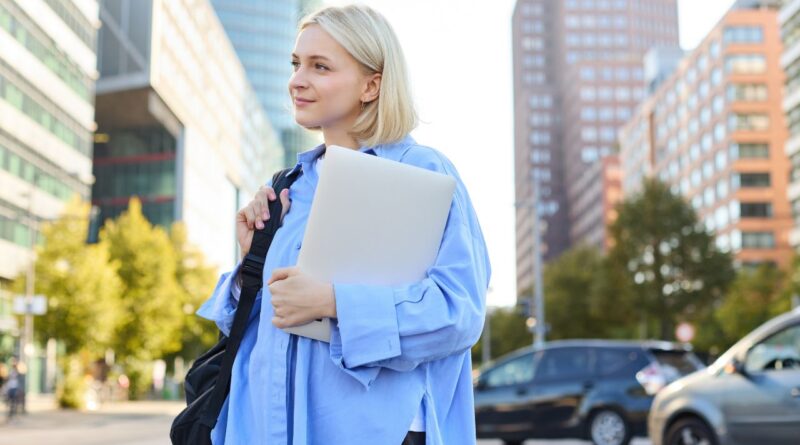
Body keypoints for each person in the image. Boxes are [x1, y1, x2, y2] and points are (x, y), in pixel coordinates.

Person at [197, 5, 490, 444]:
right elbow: (251, 328)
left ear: (371, 85)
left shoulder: (422, 172)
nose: (297, 79)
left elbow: (457, 314)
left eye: (320, 66)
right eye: (296, 64)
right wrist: (250, 264)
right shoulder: (286, 187)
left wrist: (333, 302)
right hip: (261, 429)